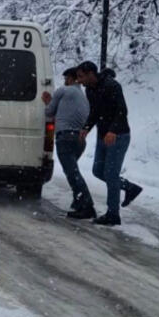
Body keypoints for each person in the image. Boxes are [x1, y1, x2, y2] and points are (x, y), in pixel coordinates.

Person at [77, 61, 143, 226]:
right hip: (103, 135)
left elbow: (122, 110)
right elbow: (94, 112)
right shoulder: (90, 90)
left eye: (81, 76)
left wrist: (113, 130)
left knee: (111, 174)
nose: (79, 80)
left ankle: (113, 214)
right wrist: (86, 128)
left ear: (91, 73)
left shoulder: (112, 86)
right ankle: (129, 188)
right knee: (98, 170)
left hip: (118, 135)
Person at [42, 67, 94, 219]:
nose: (64, 81)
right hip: (80, 140)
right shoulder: (83, 97)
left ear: (71, 79)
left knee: (72, 173)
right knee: (73, 171)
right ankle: (78, 202)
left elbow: (49, 112)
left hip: (65, 136)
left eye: (66, 78)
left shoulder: (63, 91)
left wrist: (47, 102)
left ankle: (86, 205)